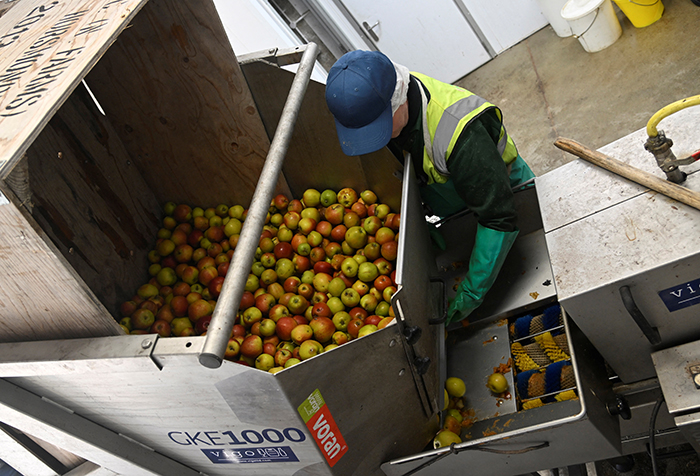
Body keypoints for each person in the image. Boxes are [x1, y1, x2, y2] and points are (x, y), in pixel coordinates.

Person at [324, 50, 535, 325]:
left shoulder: (458, 131)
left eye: (380, 127)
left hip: (508, 195)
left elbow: (498, 217)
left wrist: (471, 293)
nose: (379, 139)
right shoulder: (394, 109)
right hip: (459, 205)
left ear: (397, 100)